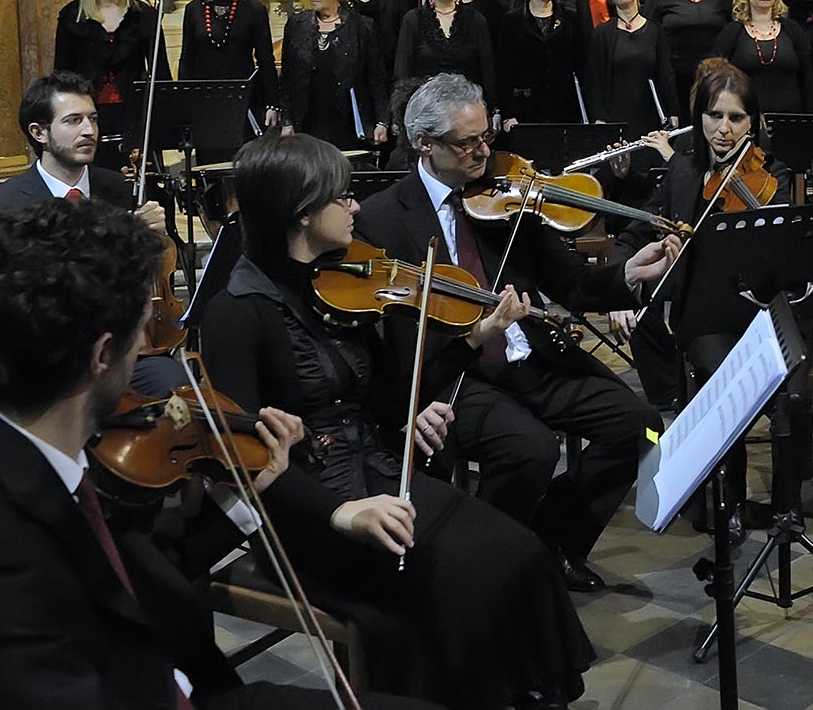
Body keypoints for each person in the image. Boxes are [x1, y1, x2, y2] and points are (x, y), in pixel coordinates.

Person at [0, 198, 419, 710]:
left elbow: (149, 563)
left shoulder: (56, 454)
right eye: (143, 329)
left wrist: (243, 494)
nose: (146, 347)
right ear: (101, 354)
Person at [196, 132, 597, 702]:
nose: (355, 207)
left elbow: (378, 392)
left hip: (379, 471)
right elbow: (244, 463)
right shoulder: (236, 314)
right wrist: (342, 511)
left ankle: (524, 692)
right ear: (303, 215)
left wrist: (415, 408)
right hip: (306, 509)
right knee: (455, 581)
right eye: (342, 197)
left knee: (520, 552)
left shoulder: (336, 282)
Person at [354, 76, 677, 591]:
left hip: (531, 359)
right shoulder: (381, 218)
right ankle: (483, 567)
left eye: (488, 136)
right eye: (467, 142)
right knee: (532, 448)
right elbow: (389, 340)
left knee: (640, 424)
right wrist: (476, 334)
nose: (485, 151)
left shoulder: (509, 194)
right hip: (458, 374)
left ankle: (553, 541)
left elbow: (572, 284)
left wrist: (630, 275)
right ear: (423, 143)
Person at [614, 60, 795, 539]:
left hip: (762, 309)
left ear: (752, 122)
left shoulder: (774, 174)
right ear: (700, 117)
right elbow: (637, 230)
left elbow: (788, 255)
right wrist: (620, 282)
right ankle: (729, 500)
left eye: (736, 118)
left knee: (793, 386)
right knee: (724, 378)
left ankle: (786, 506)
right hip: (706, 313)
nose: (724, 129)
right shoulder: (683, 170)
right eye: (714, 116)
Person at [0, 71, 167, 240]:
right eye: (73, 120)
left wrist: (155, 237)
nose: (89, 130)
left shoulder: (124, 189)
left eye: (93, 119)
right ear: (39, 133)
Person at [54, 0, 171, 169]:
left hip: (134, 109)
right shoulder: (73, 16)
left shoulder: (144, 15)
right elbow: (62, 72)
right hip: (88, 110)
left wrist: (164, 113)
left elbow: (160, 69)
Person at [278, 0, 387, 150]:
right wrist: (287, 120)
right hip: (307, 122)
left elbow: (376, 78)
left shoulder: (362, 27)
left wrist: (382, 121)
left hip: (348, 122)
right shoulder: (296, 25)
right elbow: (287, 78)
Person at [177, 0, 278, 133]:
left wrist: (273, 104)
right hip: (205, 104)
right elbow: (187, 60)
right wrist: (185, 105)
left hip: (244, 102)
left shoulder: (253, 8)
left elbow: (266, 60)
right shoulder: (194, 9)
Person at [495, 0, 590, 124]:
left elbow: (583, 64)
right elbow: (504, 70)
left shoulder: (569, 18)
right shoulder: (512, 20)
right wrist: (507, 113)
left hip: (564, 108)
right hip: (525, 109)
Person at [713, 0, 813, 113]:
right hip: (745, 116)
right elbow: (717, 76)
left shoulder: (792, 29)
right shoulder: (732, 31)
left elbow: (808, 76)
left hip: (790, 115)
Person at [394, 0, 494, 101]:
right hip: (426, 105)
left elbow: (488, 69)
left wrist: (494, 107)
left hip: (468, 106)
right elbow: (403, 70)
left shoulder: (475, 20)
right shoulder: (413, 20)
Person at [585, 0, 677, 127]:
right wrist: (598, 115)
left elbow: (665, 74)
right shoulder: (602, 33)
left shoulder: (655, 30)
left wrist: (673, 111)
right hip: (614, 114)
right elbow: (594, 78)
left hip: (649, 113)